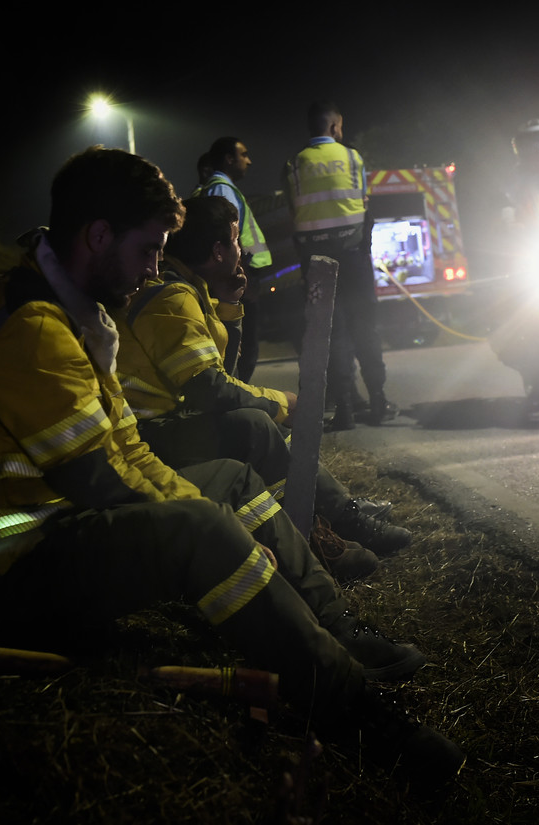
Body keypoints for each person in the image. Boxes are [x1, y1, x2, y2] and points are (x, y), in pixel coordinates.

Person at [0, 146, 462, 789]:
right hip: (9, 562)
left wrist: (211, 513)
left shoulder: (74, 313)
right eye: (149, 248)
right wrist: (215, 530)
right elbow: (98, 476)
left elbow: (131, 455)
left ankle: (334, 626)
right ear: (98, 236)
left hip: (60, 522)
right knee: (203, 527)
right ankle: (352, 705)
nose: (156, 266)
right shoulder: (31, 326)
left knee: (231, 486)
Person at [114, 195, 412, 573]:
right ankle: (339, 519)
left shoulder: (190, 291)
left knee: (253, 420)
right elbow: (212, 388)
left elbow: (224, 377)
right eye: (237, 240)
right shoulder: (173, 298)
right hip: (147, 436)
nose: (242, 249)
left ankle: (333, 515)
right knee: (254, 424)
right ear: (219, 251)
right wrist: (282, 402)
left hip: (162, 426)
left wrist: (228, 305)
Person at [284, 102, 391, 431]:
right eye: (340, 127)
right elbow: (363, 203)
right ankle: (378, 401)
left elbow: (293, 210)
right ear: (333, 128)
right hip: (353, 254)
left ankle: (344, 408)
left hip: (316, 260)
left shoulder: (294, 164)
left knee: (332, 332)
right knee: (365, 327)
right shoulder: (351, 157)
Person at [193, 137, 271, 382]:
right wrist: (238, 277)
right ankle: (237, 404)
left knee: (244, 349)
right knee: (243, 349)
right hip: (237, 280)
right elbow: (226, 240)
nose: (249, 160)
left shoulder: (222, 188)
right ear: (229, 159)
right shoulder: (222, 190)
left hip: (238, 277)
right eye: (243, 155)